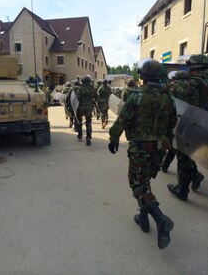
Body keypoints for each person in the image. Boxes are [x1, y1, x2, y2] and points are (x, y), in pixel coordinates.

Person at [108, 58, 177, 249]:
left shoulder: (136, 96)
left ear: (143, 76)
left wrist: (113, 139)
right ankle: (143, 218)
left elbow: (122, 120)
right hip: (159, 149)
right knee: (145, 181)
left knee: (138, 186)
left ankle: (160, 219)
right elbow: (172, 125)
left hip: (140, 149)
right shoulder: (168, 98)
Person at [168, 54, 208, 200]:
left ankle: (182, 189)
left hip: (193, 123)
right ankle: (195, 176)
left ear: (195, 67)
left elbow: (175, 100)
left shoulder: (194, 83)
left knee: (184, 154)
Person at [76, 75, 98, 146]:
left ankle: (80, 134)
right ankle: (88, 137)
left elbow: (77, 98)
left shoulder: (80, 89)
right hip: (89, 108)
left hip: (81, 108)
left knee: (79, 121)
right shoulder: (92, 89)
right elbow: (97, 97)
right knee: (88, 123)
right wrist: (93, 101)